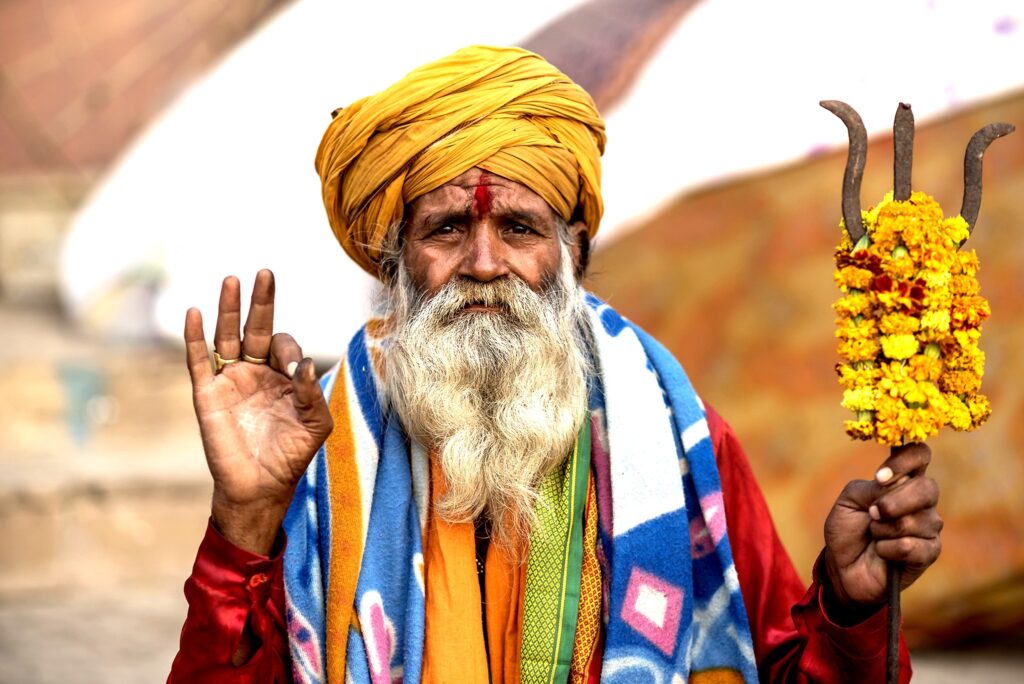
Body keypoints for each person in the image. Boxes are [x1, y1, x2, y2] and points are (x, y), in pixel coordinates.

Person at [168, 46, 941, 683]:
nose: (483, 262)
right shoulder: (320, 446)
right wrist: (245, 519)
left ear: (573, 251)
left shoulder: (675, 443)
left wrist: (849, 607)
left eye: (518, 228)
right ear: (393, 262)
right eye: (442, 230)